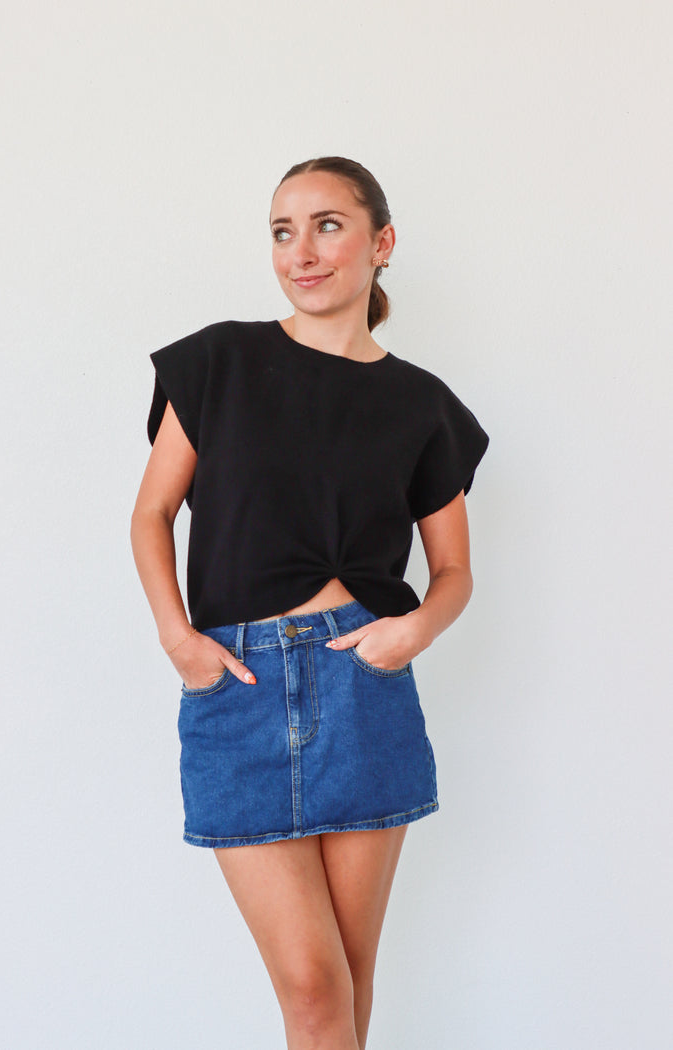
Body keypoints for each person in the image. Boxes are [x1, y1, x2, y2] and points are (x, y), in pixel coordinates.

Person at [130, 155, 489, 1050]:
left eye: (328, 225)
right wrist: (178, 638)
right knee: (312, 983)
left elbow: (454, 573)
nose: (303, 251)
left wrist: (411, 634)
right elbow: (151, 513)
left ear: (383, 243)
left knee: (345, 986)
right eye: (284, 231)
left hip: (362, 681)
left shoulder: (422, 405)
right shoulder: (218, 361)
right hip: (239, 684)